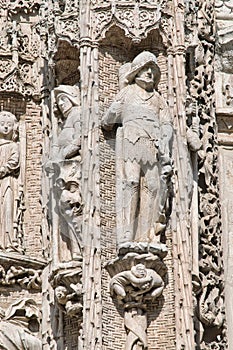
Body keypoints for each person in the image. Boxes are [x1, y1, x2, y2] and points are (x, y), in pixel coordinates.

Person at [102, 51, 173, 245]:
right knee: (131, 183)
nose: (149, 72)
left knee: (152, 186)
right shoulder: (127, 92)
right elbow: (107, 121)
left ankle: (146, 235)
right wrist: (119, 110)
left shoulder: (158, 99)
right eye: (145, 68)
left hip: (152, 145)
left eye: (153, 69)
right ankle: (126, 234)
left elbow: (167, 124)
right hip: (131, 142)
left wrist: (165, 143)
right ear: (136, 71)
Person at [0, 111, 20, 251]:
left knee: (7, 209)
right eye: (2, 124)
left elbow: (14, 161)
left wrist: (3, 169)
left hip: (7, 181)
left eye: (9, 125)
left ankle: (8, 241)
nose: (5, 127)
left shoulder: (13, 146)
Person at [54, 85, 81, 160]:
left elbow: (79, 138)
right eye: (58, 101)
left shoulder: (77, 113)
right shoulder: (63, 121)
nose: (60, 103)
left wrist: (62, 155)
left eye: (63, 99)